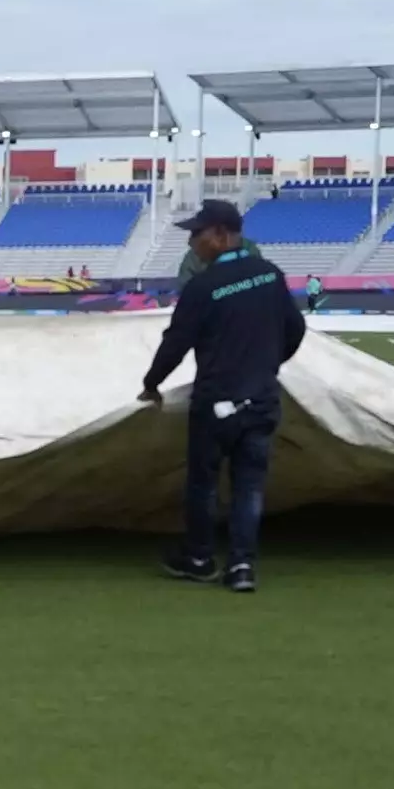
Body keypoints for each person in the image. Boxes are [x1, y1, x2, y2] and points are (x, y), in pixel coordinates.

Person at [143, 197, 303, 592]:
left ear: (220, 234)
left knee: (204, 483)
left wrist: (152, 383)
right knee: (249, 485)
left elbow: (176, 342)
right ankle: (242, 567)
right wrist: (268, 366)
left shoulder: (203, 286)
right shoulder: (270, 275)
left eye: (197, 233)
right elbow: (295, 328)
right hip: (262, 398)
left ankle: (199, 557)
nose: (191, 242)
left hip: (215, 402)